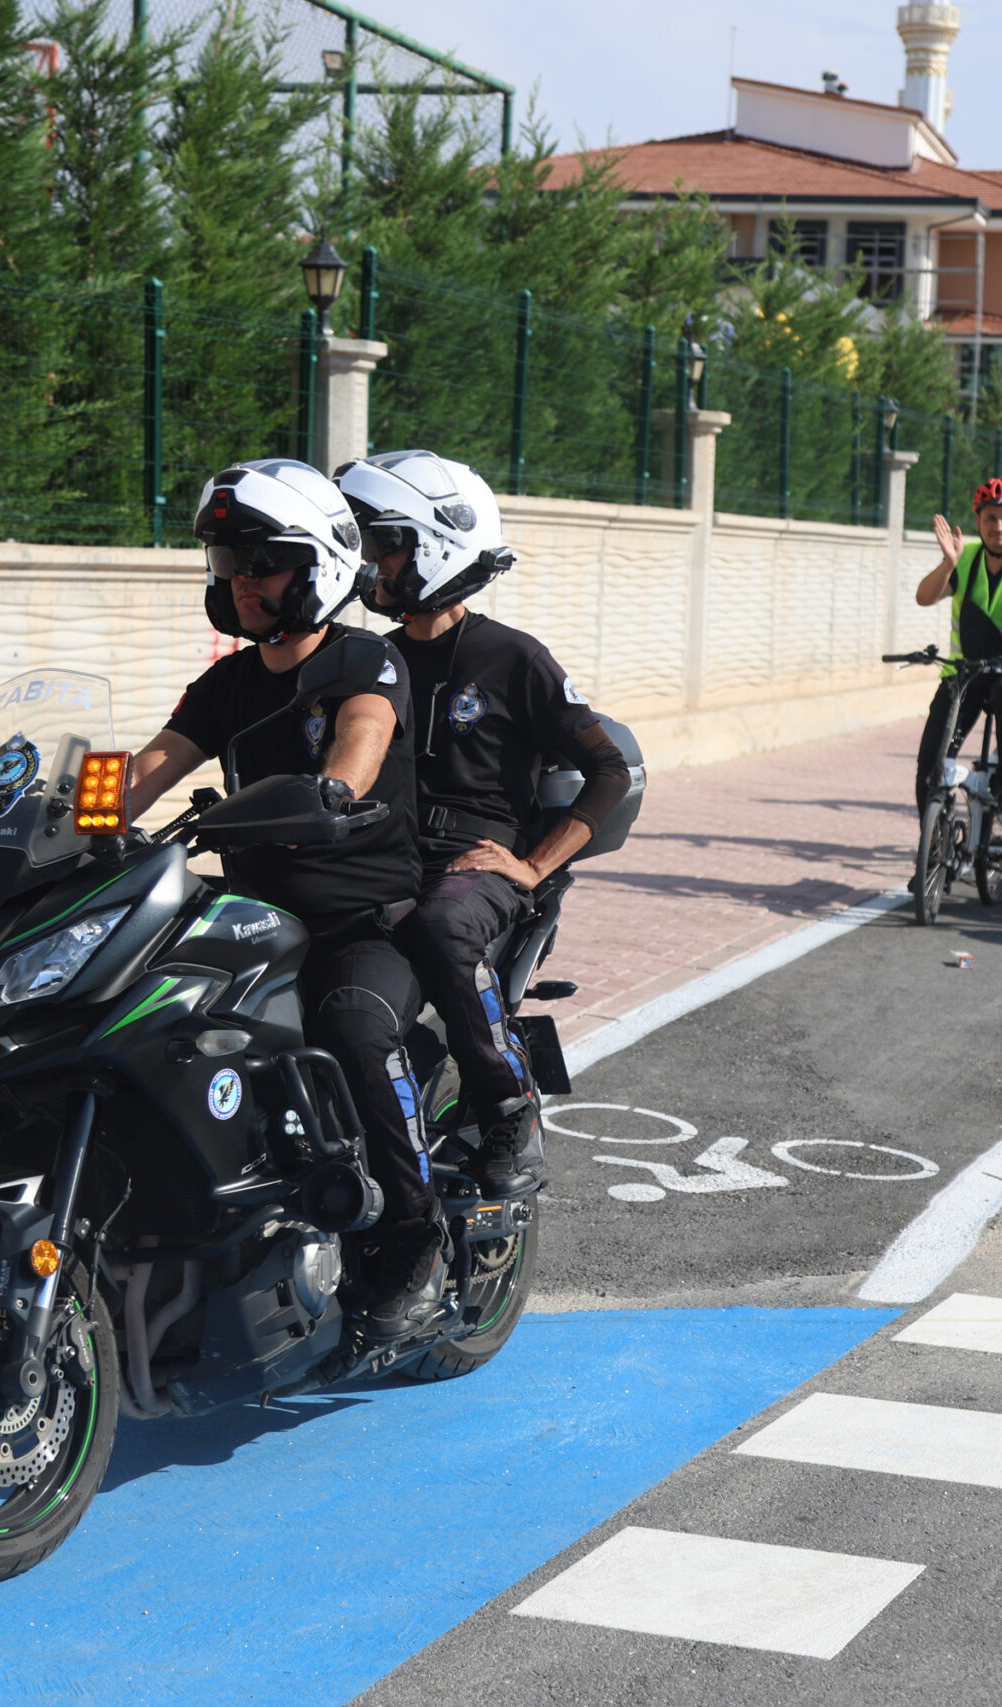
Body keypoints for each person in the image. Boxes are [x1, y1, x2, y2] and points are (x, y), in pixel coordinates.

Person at [122, 458, 443, 1341]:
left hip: (361, 924)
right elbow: (149, 767)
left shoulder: (366, 661)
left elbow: (361, 738)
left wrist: (332, 791)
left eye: (263, 562)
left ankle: (414, 1238)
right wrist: (58, 812)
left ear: (321, 565)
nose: (242, 581)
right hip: (257, 920)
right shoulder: (227, 685)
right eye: (230, 562)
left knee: (355, 1025)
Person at [337, 449, 633, 1198]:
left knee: (442, 926)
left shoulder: (514, 657)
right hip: (389, 855)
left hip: (475, 863)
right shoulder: (369, 660)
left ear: (434, 549)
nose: (372, 564)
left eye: (386, 546)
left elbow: (609, 770)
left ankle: (509, 1105)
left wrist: (533, 866)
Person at [913, 478, 1002, 814]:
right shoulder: (966, 558)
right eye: (990, 518)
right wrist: (948, 562)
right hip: (966, 672)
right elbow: (924, 597)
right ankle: (931, 841)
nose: (998, 526)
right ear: (978, 521)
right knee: (930, 764)